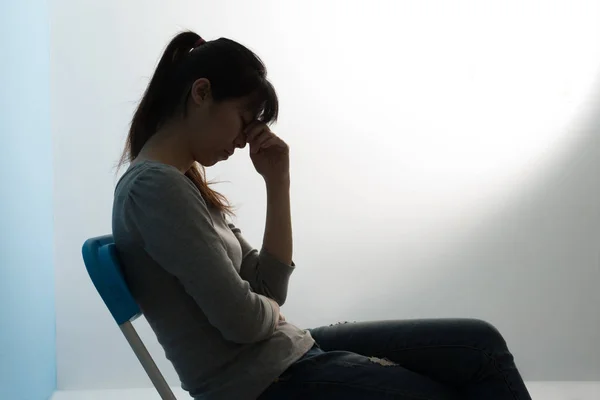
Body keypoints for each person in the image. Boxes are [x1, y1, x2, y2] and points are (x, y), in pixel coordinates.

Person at [112, 31, 533, 400]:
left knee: (480, 343)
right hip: (265, 383)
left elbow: (267, 287)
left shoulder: (182, 184)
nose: (243, 141)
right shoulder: (154, 190)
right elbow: (241, 322)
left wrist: (278, 182)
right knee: (457, 387)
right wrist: (266, 312)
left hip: (289, 354)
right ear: (200, 93)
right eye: (243, 120)